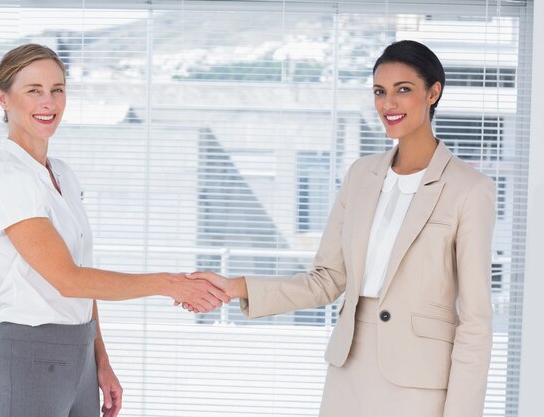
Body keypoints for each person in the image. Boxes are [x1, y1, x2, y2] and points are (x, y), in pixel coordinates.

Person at [188, 40, 496, 417]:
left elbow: (476, 319)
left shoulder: (469, 189)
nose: (388, 104)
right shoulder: (361, 175)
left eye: (404, 90)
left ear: (434, 93)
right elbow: (326, 280)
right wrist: (237, 287)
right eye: (380, 92)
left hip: (421, 385)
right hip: (349, 371)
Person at [0, 44, 229, 417]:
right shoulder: (10, 180)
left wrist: (100, 362)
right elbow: (69, 280)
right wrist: (169, 284)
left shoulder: (60, 173)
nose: (48, 102)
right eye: (34, 90)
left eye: (57, 89)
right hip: (29, 354)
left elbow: (83, 278)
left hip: (78, 355)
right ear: (3, 98)